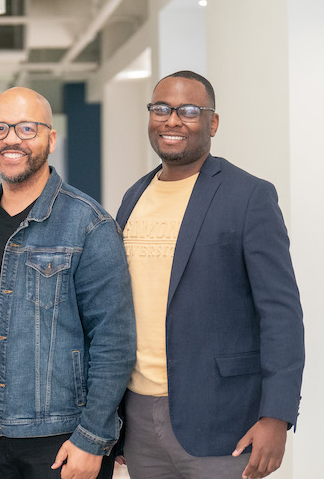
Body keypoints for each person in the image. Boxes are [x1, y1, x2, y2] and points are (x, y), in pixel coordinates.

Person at [116, 70, 305, 479]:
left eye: (188, 111)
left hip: (223, 418)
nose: (172, 120)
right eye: (161, 109)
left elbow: (281, 314)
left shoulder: (249, 196)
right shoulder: (134, 197)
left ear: (212, 122)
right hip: (139, 418)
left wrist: (277, 415)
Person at [0, 87, 136, 479]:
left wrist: (92, 437)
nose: (11, 139)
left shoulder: (89, 224)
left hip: (61, 439)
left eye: (26, 128)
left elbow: (114, 341)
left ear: (51, 139)